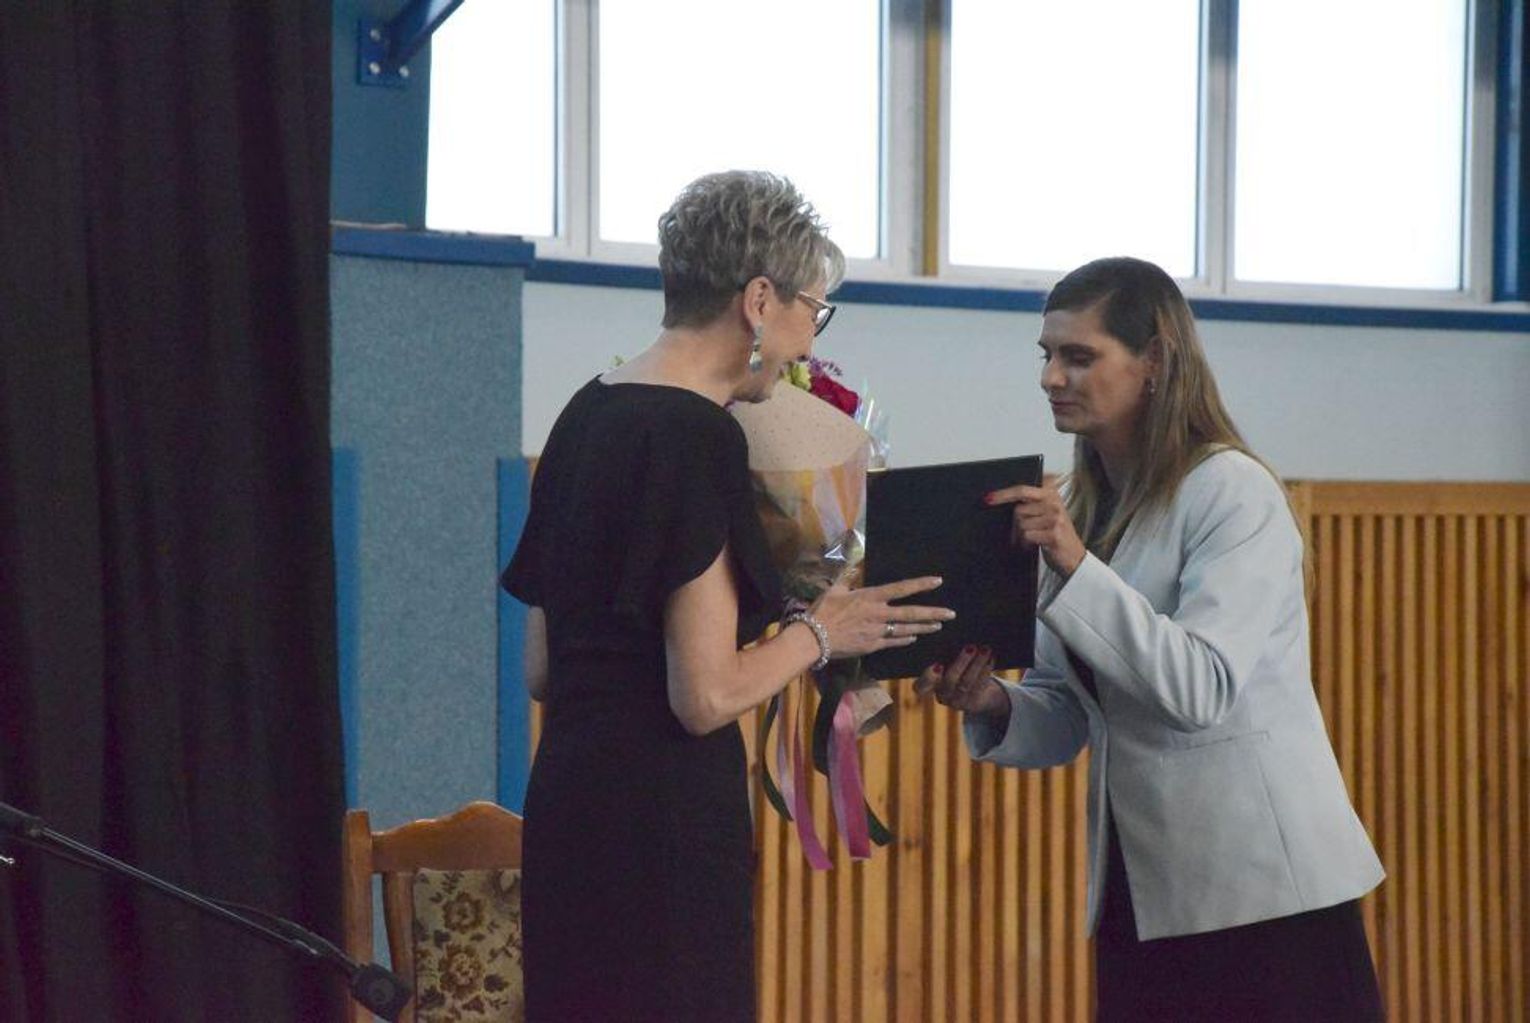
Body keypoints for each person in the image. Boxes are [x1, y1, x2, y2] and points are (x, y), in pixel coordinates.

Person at [502, 170, 952, 1022]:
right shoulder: (696, 437)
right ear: (758, 300)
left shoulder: (582, 415)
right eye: (812, 310)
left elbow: (542, 669)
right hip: (663, 828)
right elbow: (703, 696)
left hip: (568, 809)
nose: (807, 343)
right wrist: (822, 630)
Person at [917, 256, 1385, 1020]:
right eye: (1047, 354)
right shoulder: (1085, 506)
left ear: (1156, 361)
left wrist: (1075, 566)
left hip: (1266, 897)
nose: (1051, 377)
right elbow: (1072, 713)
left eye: (1079, 355)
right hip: (1143, 890)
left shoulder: (1233, 490)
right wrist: (994, 702)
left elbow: (1199, 689)